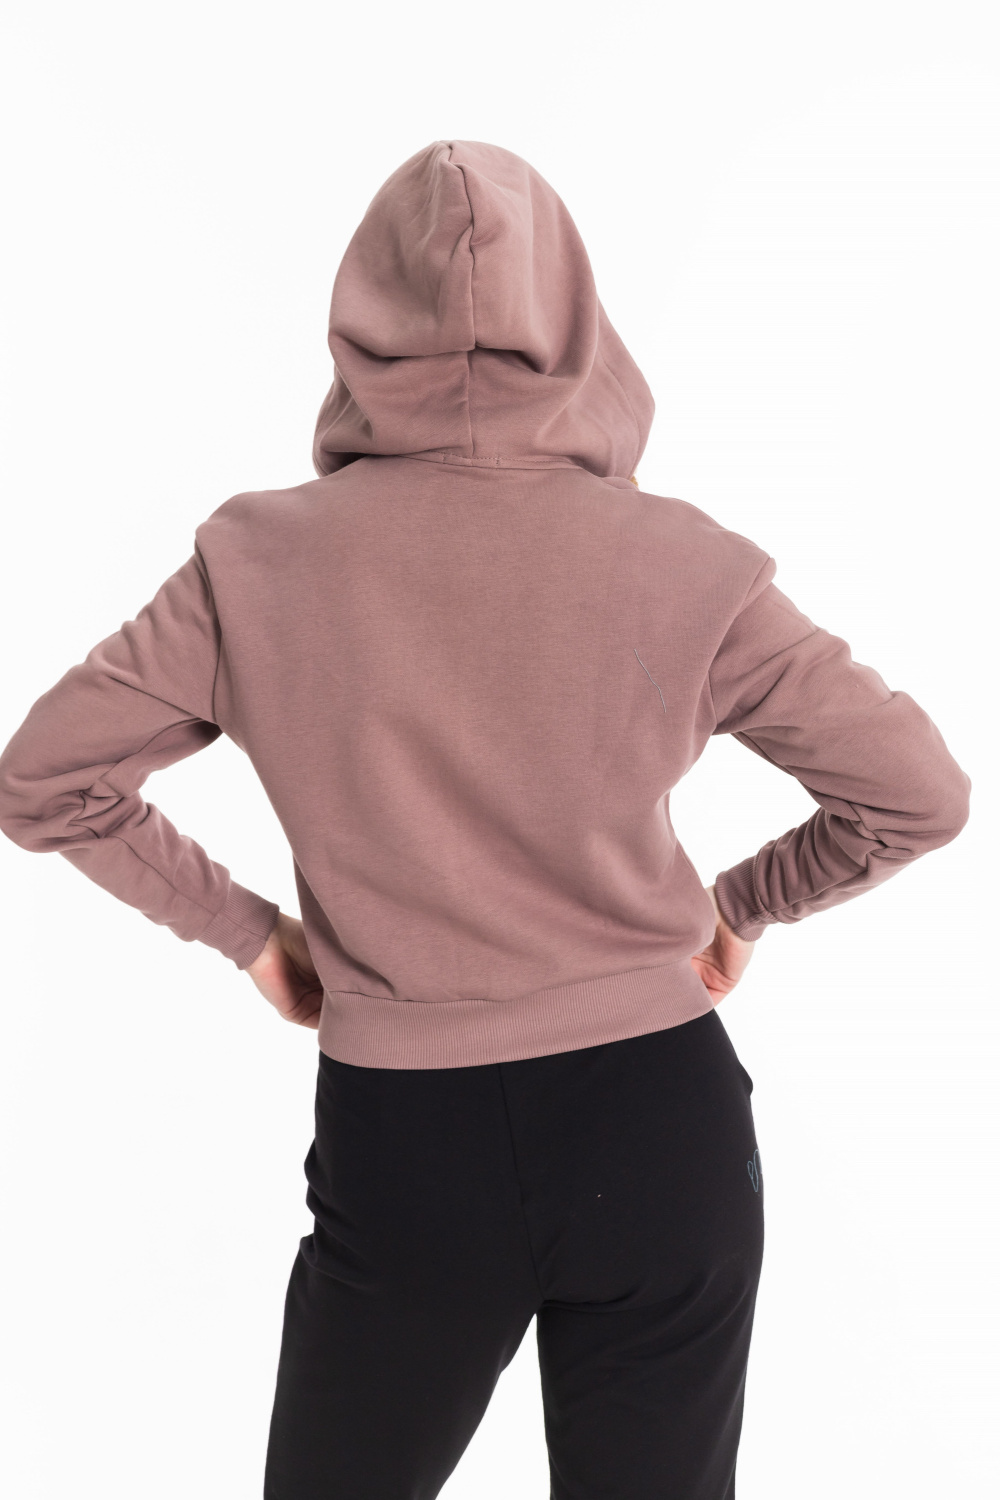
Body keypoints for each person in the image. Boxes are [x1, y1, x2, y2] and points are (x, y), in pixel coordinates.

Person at [0, 140, 971, 1499]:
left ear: (360, 323)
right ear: (578, 322)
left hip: (407, 1141)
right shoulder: (688, 562)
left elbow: (46, 779)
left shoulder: (251, 562)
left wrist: (253, 935)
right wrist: (740, 906)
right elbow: (917, 794)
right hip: (659, 1123)